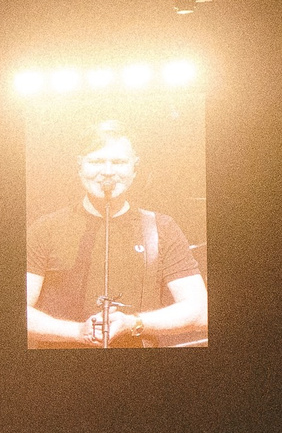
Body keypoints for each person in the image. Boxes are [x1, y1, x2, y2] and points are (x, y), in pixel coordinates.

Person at [26, 120, 207, 347]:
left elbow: (200, 310)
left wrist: (133, 323)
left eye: (119, 162)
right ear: (80, 166)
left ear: (134, 168)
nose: (108, 172)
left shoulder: (162, 228)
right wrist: (76, 331)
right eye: (96, 161)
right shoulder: (45, 229)